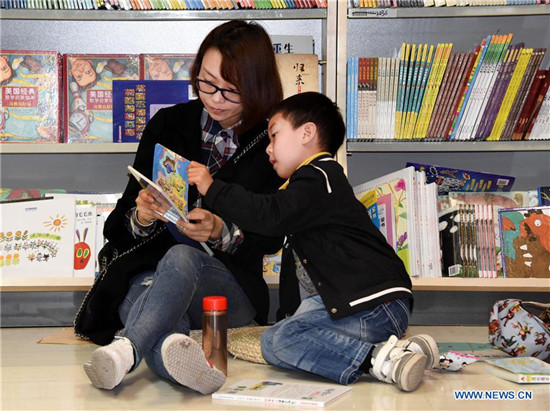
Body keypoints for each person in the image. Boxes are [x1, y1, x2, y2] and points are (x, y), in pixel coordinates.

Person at [76, 20, 284, 394]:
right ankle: (173, 353)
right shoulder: (169, 124)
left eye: (230, 90)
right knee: (142, 287)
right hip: (156, 281)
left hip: (227, 294)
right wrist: (141, 215)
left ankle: (126, 349)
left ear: (257, 88)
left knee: (180, 259)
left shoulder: (269, 141)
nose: (215, 98)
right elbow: (116, 229)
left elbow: (272, 235)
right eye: (206, 82)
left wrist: (222, 233)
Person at [188, 91, 440, 392]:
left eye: (274, 136)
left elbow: (269, 214)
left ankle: (379, 361)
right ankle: (404, 352)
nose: (268, 149)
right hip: (370, 306)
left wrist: (213, 188)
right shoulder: (313, 188)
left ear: (307, 133)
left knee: (277, 341)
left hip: (371, 305)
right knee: (284, 331)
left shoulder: (318, 175)